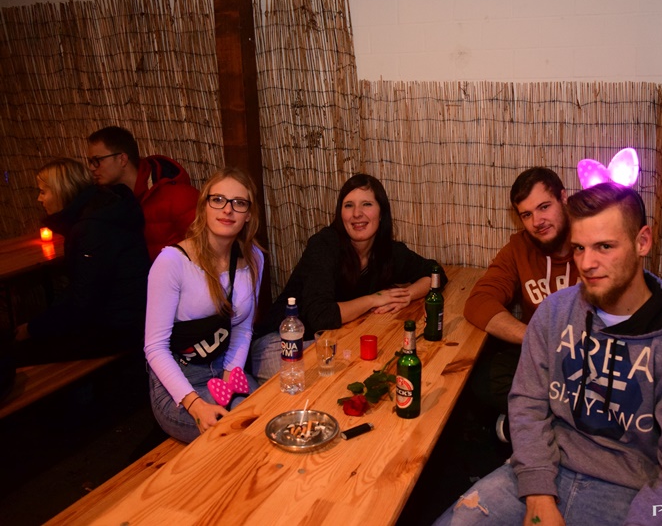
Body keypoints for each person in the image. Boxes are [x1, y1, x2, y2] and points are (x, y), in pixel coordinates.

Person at [435, 182, 662, 526]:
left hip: (629, 491)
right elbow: (527, 403)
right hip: (545, 468)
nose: (587, 263)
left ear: (642, 242)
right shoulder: (554, 313)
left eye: (605, 246)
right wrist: (538, 493)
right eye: (579, 248)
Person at [250, 173, 446, 383]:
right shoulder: (324, 246)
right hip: (281, 343)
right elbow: (322, 315)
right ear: (340, 213)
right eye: (349, 205)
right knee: (348, 375)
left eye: (367, 204)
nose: (357, 214)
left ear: (381, 213)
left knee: (376, 364)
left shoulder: (387, 252)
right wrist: (374, 299)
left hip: (332, 340)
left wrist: (407, 294)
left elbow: (435, 273)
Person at [145, 168, 264, 443]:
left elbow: (243, 329)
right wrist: (196, 406)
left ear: (248, 214)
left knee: (261, 417)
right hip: (180, 380)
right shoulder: (172, 262)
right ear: (204, 206)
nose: (228, 210)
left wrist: (230, 376)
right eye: (218, 200)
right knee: (231, 434)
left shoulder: (254, 258)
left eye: (239, 203)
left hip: (223, 365)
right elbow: (155, 348)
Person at [464, 167, 578, 437]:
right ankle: (551, 424)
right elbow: (478, 302)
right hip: (539, 355)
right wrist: (532, 336)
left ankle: (526, 423)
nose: (537, 221)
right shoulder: (520, 247)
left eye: (544, 207)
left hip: (585, 359)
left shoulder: (589, 242)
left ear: (563, 198)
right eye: (526, 215)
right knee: (479, 379)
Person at [10, 158, 150, 366]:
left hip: (120, 327)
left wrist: (32, 329)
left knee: (17, 353)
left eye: (43, 192)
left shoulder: (92, 228)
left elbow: (84, 302)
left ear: (61, 191)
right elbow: (83, 289)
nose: (39, 199)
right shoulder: (99, 212)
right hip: (122, 317)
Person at [87, 126, 199, 261]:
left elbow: (205, 250)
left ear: (122, 159)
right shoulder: (108, 203)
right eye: (90, 162)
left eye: (97, 160)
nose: (91, 168)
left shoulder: (177, 197)